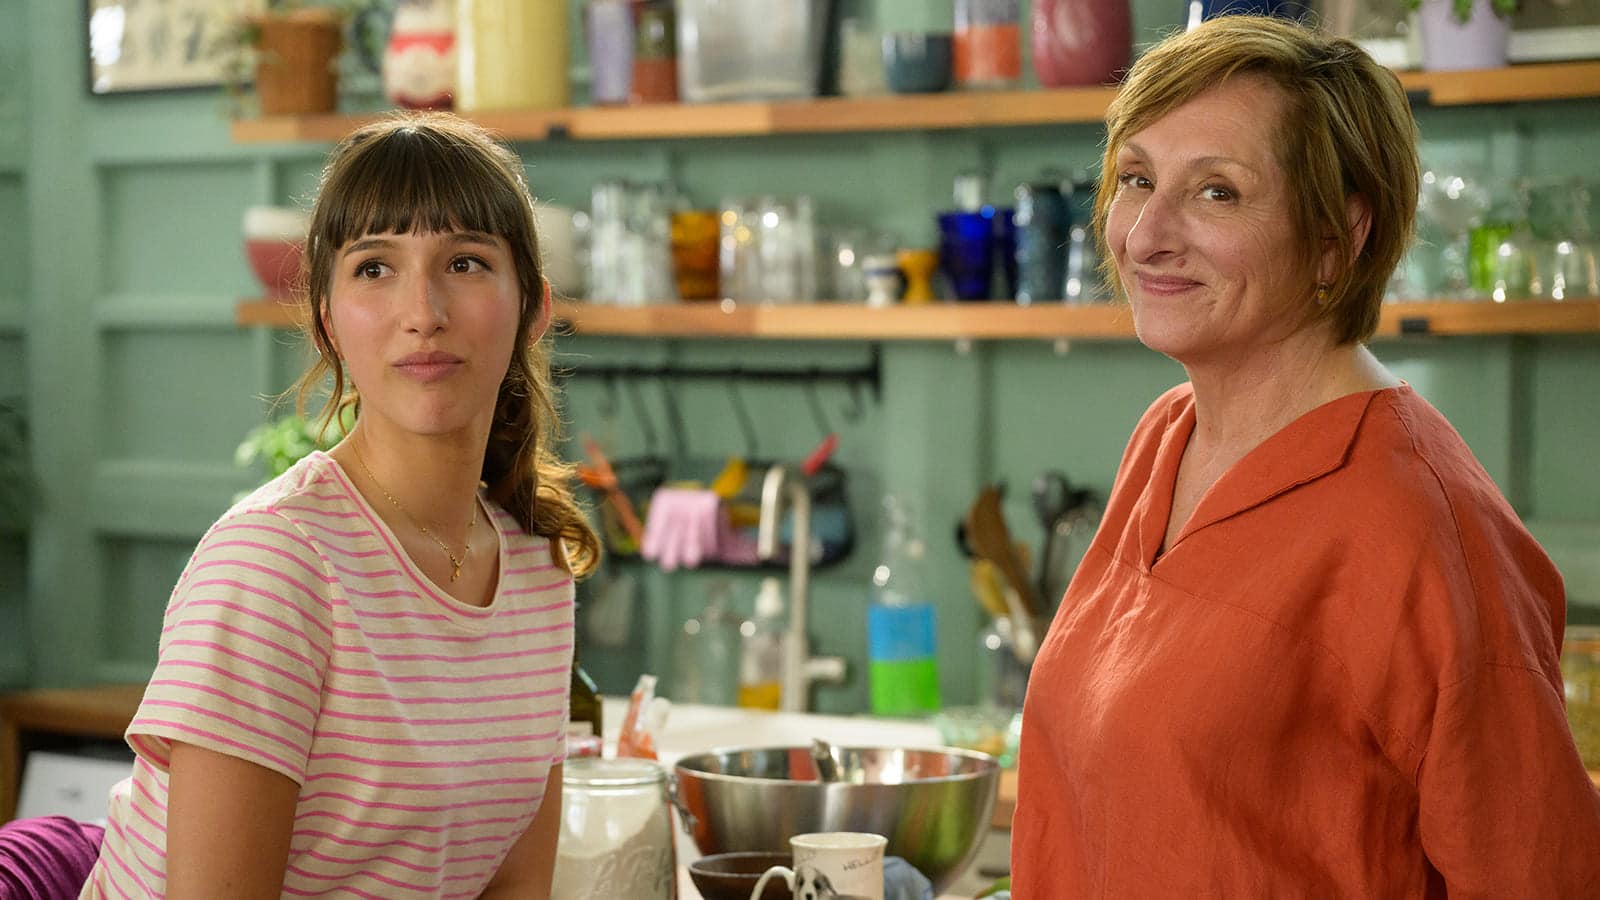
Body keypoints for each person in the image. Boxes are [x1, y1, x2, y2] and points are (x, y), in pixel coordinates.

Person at [1011, 16, 1600, 898]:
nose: (1146, 234)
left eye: (1217, 192)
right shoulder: (1166, 438)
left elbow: (1541, 875)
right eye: (1137, 179)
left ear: (1338, 236)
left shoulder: (1421, 526)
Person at [81, 112, 601, 898]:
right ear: (328, 318)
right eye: (374, 268)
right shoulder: (273, 565)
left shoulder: (536, 567)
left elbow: (514, 889)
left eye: (465, 262)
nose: (423, 312)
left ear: (533, 309)